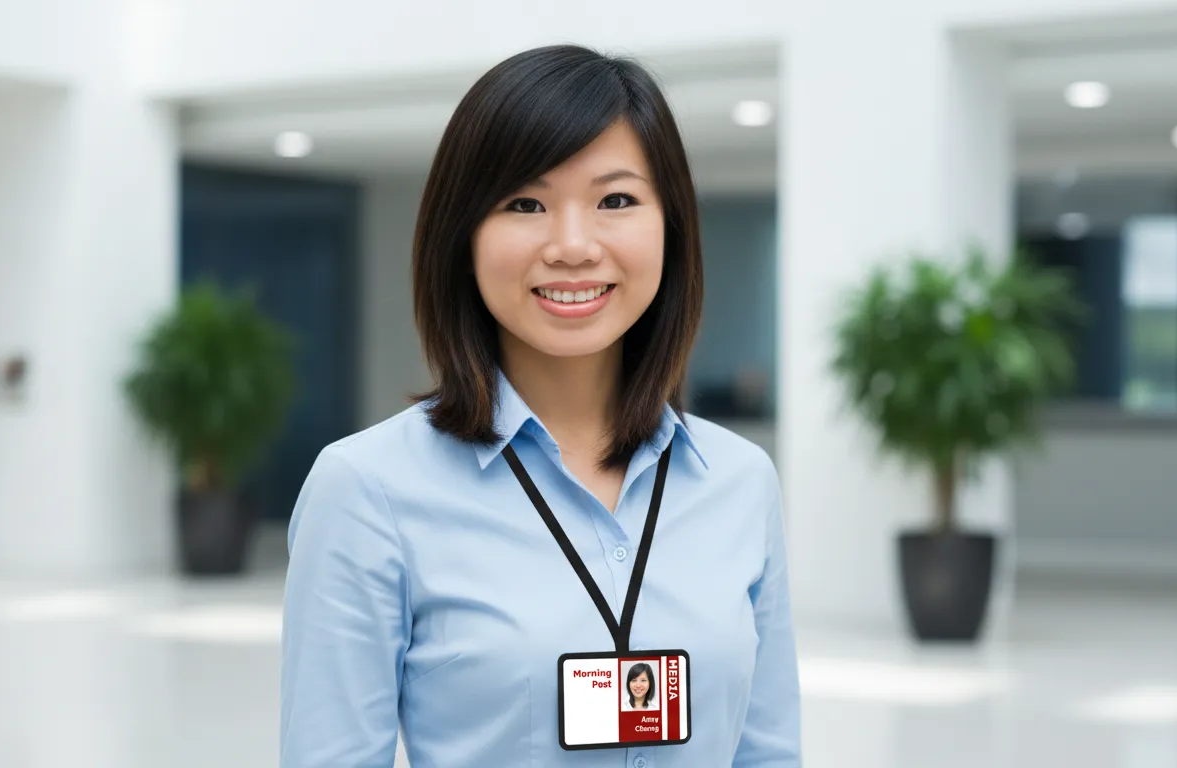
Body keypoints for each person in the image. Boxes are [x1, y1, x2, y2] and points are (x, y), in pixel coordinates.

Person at [280, 43, 801, 767]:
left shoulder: (740, 482)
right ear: (462, 237)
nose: (573, 245)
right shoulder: (367, 490)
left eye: (616, 200)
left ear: (670, 226)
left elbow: (768, 755)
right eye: (525, 203)